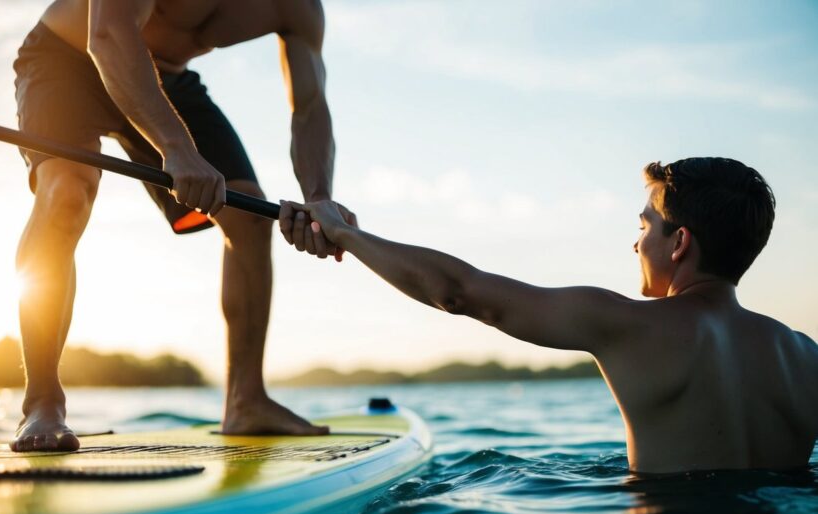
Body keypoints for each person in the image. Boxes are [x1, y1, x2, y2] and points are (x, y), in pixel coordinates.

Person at [279, 157, 818, 474]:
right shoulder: (804, 355)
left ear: (679, 242)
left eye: (644, 226)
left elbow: (461, 293)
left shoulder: (625, 324)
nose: (636, 245)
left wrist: (345, 233)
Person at [10, 0, 356, 452]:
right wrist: (176, 147)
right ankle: (42, 401)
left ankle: (245, 400)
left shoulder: (299, 8)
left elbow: (309, 107)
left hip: (167, 78)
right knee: (67, 193)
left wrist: (318, 198)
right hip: (67, 57)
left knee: (250, 218)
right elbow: (109, 36)